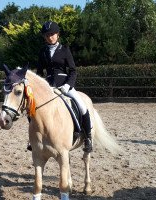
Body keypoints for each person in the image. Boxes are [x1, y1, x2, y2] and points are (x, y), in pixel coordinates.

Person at [36, 21, 93, 152]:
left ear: (57, 35)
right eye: (47, 35)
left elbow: (73, 70)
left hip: (64, 86)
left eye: (52, 34)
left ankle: (87, 138)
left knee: (82, 106)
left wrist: (68, 85)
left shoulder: (65, 50)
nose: (49, 37)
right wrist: (42, 87)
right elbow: (39, 73)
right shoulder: (42, 52)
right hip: (48, 88)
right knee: (34, 109)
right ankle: (34, 139)